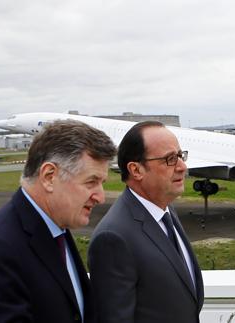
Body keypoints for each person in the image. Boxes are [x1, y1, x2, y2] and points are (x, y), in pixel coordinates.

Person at [0, 120, 116, 323]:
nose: (100, 197)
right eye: (91, 182)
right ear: (49, 176)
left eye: (102, 183)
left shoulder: (57, 229)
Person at [88, 121, 204, 323]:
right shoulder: (113, 238)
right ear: (136, 170)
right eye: (169, 159)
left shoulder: (165, 211)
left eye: (180, 156)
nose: (182, 166)